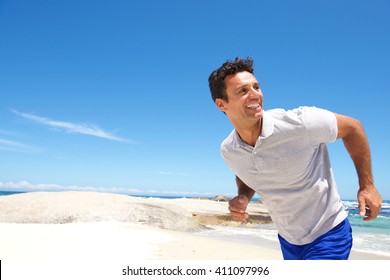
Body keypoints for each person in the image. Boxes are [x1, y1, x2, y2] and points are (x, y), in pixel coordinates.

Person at [208, 57, 382, 260]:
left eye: (256, 87)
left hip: (329, 234)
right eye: (243, 91)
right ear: (221, 104)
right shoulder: (229, 150)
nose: (255, 94)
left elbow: (353, 128)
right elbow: (246, 173)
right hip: (288, 240)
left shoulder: (302, 123)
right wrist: (244, 197)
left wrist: (367, 186)